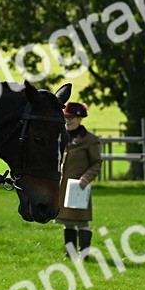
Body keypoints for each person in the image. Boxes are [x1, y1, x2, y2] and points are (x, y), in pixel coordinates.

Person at [56, 101, 102, 258]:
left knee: (82, 222)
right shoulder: (61, 136)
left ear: (80, 118)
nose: (68, 121)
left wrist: (86, 178)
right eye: (66, 118)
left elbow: (96, 163)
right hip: (63, 186)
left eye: (72, 118)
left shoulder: (90, 139)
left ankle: (85, 254)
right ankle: (70, 253)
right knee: (66, 221)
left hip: (79, 187)